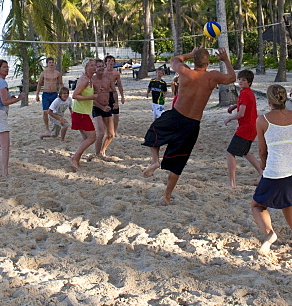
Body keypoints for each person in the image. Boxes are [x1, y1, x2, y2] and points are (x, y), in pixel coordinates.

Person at [142, 46, 236, 205]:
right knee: (177, 162)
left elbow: (174, 60)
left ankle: (155, 161)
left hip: (176, 116)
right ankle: (166, 196)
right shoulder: (212, 77)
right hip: (192, 123)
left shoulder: (186, 72)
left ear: (194, 61)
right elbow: (232, 77)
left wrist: (190, 54)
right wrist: (225, 59)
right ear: (208, 63)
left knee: (153, 134)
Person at [251, 83, 292, 254]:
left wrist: (263, 165)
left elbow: (262, 150)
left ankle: (269, 234)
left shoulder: (263, 120)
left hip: (277, 170)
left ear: (269, 101)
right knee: (288, 205)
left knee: (257, 205)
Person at [0, 59, 23, 179]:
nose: (7, 69)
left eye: (7, 67)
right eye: (4, 67)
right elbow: (4, 101)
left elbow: (1, 97)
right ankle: (5, 172)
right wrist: (19, 98)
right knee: (5, 146)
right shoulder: (1, 82)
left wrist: (9, 96)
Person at [225, 68, 262, 186]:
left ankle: (232, 183)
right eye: (240, 79)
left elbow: (241, 113)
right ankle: (262, 173)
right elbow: (243, 106)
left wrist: (229, 118)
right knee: (245, 152)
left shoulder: (245, 93)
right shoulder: (247, 92)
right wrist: (233, 107)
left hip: (246, 127)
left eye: (244, 80)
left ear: (249, 82)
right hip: (252, 126)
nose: (240, 81)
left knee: (230, 153)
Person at [70, 59, 104, 170]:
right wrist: (91, 97)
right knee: (92, 137)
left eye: (95, 65)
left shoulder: (90, 80)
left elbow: (91, 95)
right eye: (91, 65)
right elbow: (75, 95)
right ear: (86, 67)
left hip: (83, 112)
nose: (94, 67)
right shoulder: (84, 79)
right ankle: (75, 158)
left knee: (86, 137)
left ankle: (76, 158)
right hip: (80, 113)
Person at [92, 58, 115, 157]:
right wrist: (101, 107)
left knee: (110, 134)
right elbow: (90, 98)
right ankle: (97, 154)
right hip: (97, 107)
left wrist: (116, 102)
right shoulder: (91, 80)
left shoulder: (107, 79)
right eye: (98, 66)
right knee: (101, 133)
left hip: (107, 106)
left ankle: (102, 151)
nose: (101, 68)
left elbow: (114, 91)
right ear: (94, 68)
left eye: (102, 66)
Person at [35, 57, 63, 131]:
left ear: (54, 63)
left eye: (52, 62)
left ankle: (55, 127)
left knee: (55, 112)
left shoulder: (57, 73)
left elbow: (61, 84)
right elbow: (39, 84)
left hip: (54, 94)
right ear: (47, 64)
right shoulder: (43, 73)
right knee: (45, 112)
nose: (51, 64)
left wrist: (62, 93)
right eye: (49, 62)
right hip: (46, 94)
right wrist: (37, 94)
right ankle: (47, 128)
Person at [104, 55, 125, 134]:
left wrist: (122, 96)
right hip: (104, 94)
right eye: (109, 61)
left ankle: (114, 130)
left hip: (113, 94)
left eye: (112, 61)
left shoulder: (116, 73)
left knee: (116, 115)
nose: (110, 62)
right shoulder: (102, 71)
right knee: (106, 114)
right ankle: (107, 130)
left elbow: (119, 85)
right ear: (106, 62)